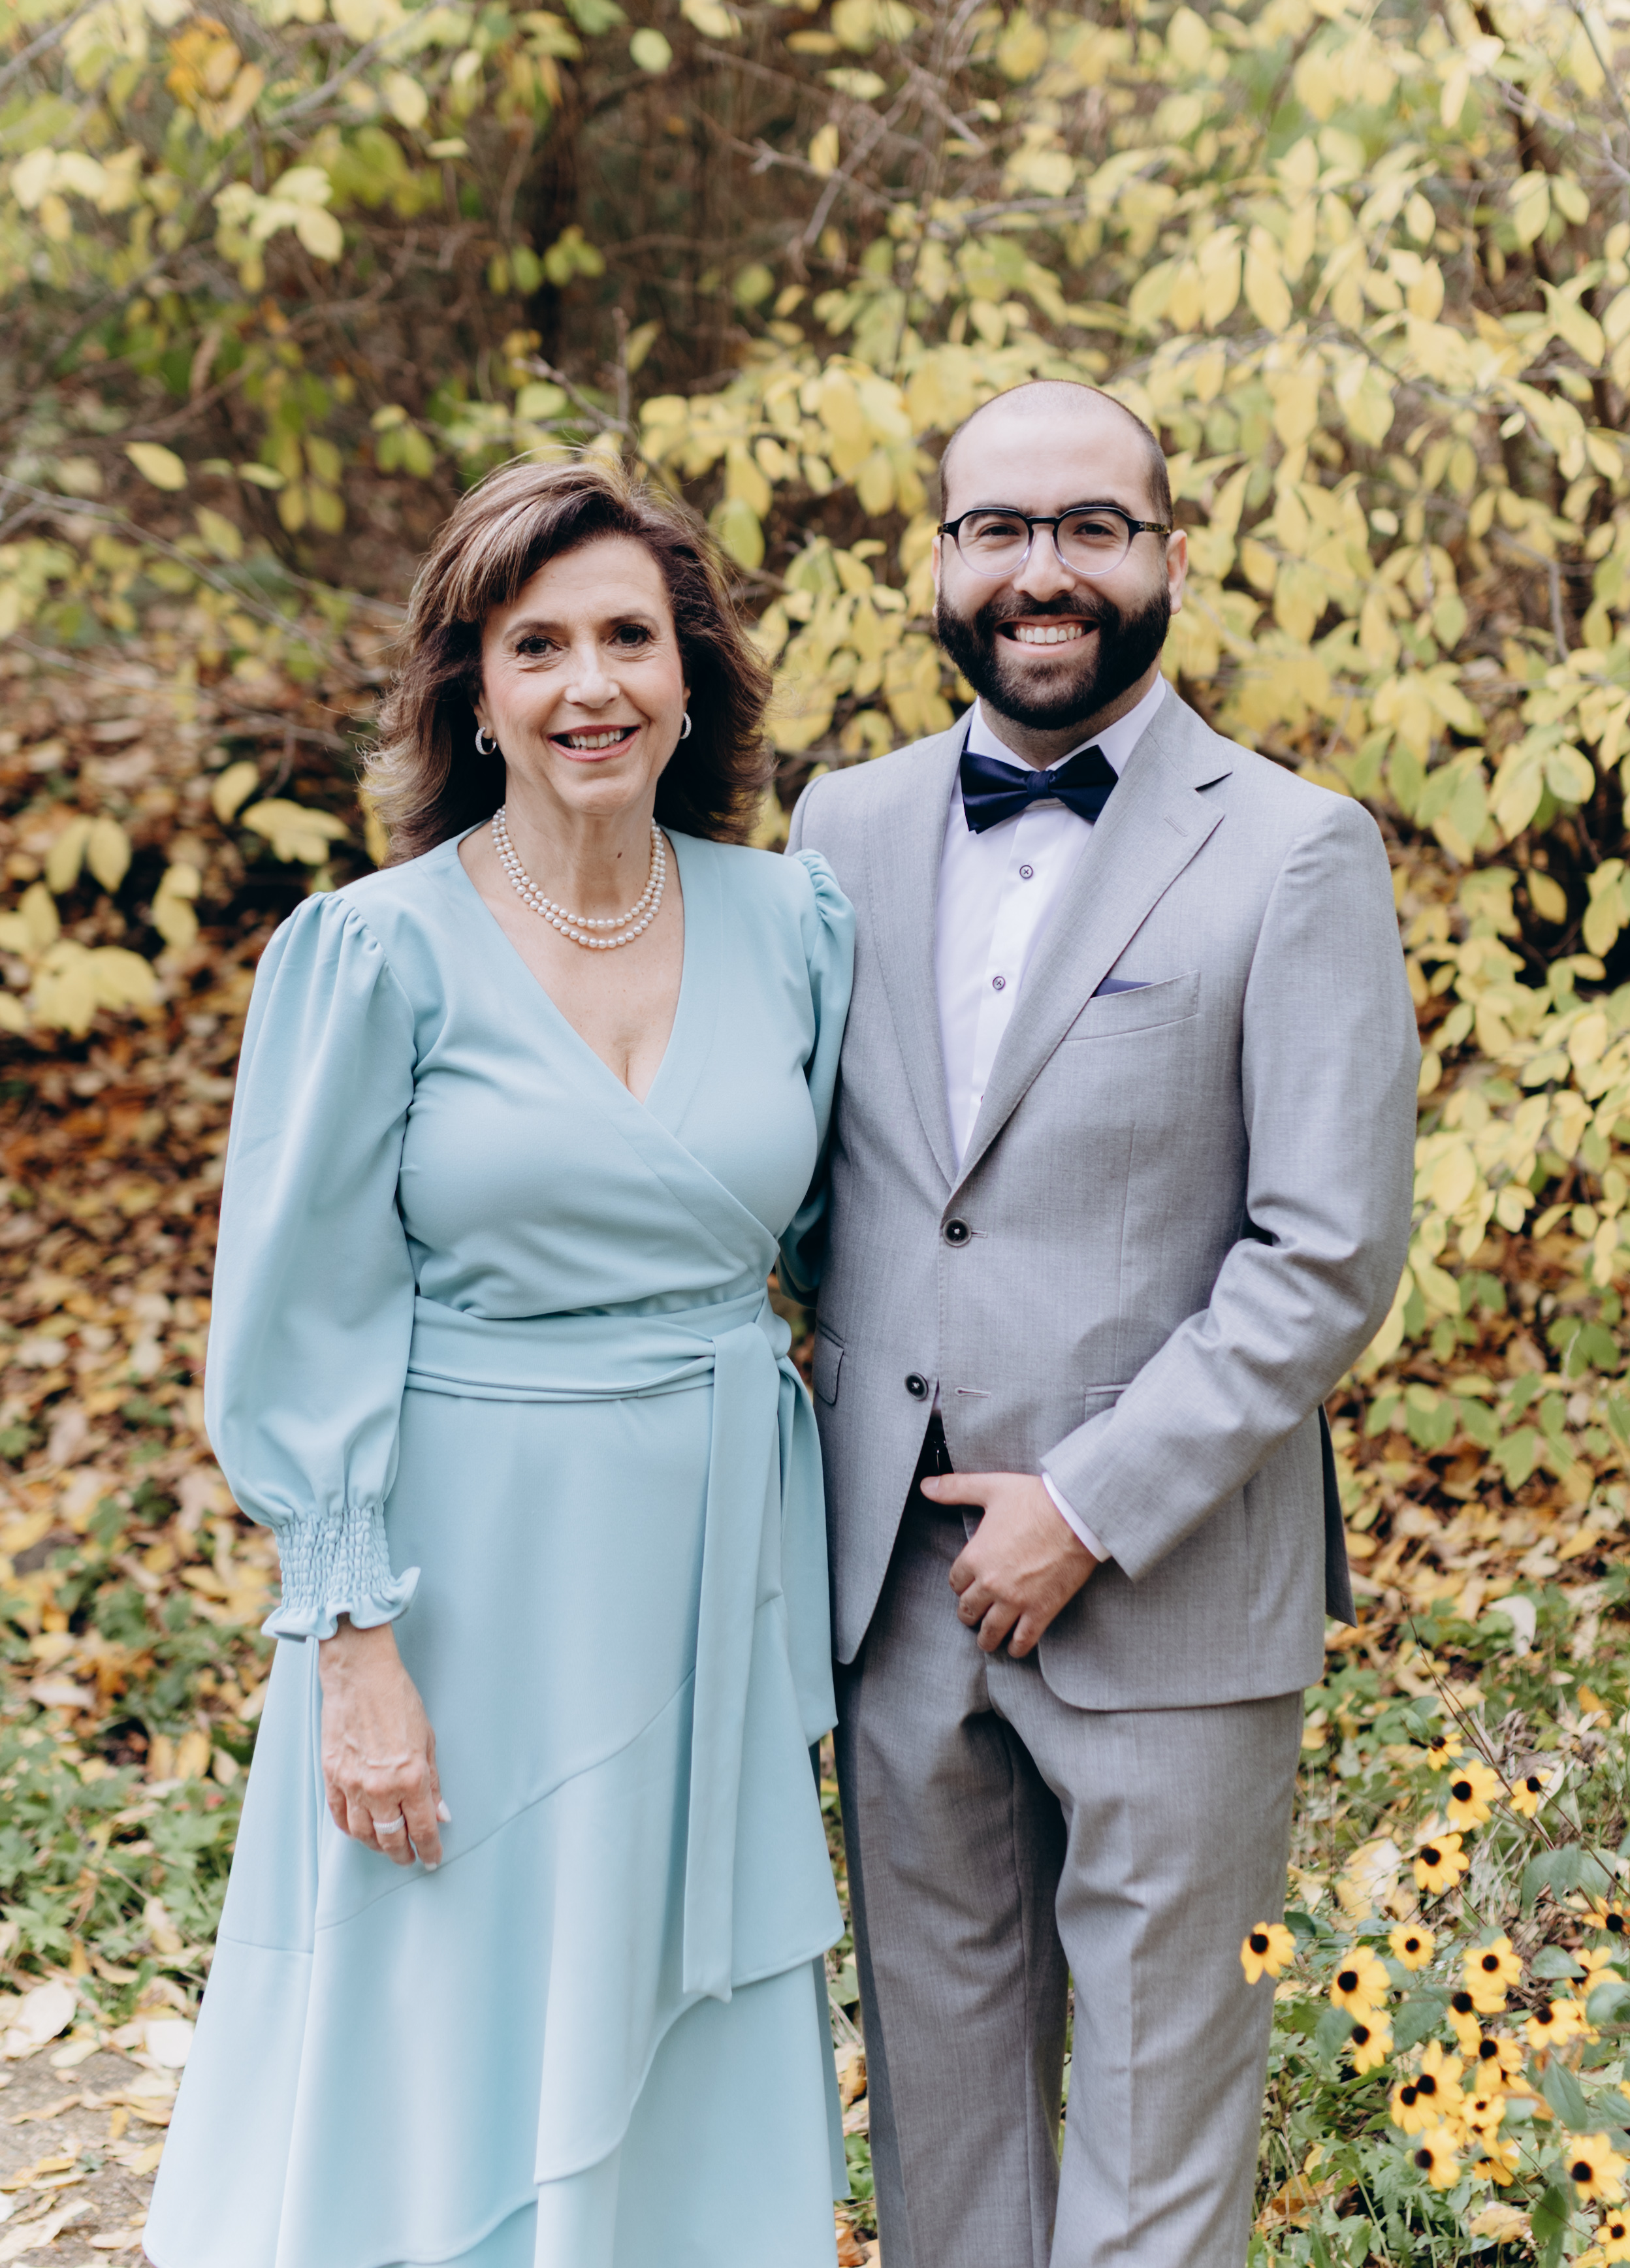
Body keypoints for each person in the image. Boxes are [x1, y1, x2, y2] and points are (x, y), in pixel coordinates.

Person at [146, 457, 855, 2268]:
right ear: (471, 688)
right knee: (440, 2023)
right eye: (536, 645)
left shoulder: (798, 927)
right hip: (457, 1589)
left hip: (708, 1572)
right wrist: (352, 1647)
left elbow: (855, 1255)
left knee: (681, 2036)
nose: (588, 684)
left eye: (629, 636)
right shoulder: (373, 953)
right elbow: (296, 1318)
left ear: (691, 674)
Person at [784, 379, 1418, 2268]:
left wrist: (1088, 1501)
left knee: (1158, 2164)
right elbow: (809, 1190)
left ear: (1170, 557)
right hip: (895, 1594)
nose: (1040, 570)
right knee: (947, 2146)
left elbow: (1326, 1251)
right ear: (938, 558)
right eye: (997, 527)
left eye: (1091, 527)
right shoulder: (839, 827)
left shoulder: (1296, 848)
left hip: (1168, 1589)